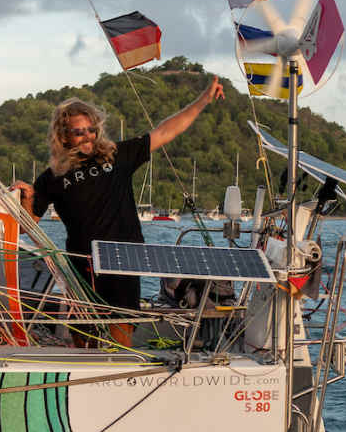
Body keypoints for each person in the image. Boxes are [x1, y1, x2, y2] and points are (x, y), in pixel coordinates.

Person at [12, 76, 226, 346]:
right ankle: (85, 369)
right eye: (79, 131)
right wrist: (27, 199)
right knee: (83, 327)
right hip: (83, 261)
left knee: (121, 322)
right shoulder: (52, 176)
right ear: (64, 136)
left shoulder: (117, 155)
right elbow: (25, 225)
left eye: (91, 129)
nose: (88, 136)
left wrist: (202, 101)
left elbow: (165, 131)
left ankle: (118, 367)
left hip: (124, 255)